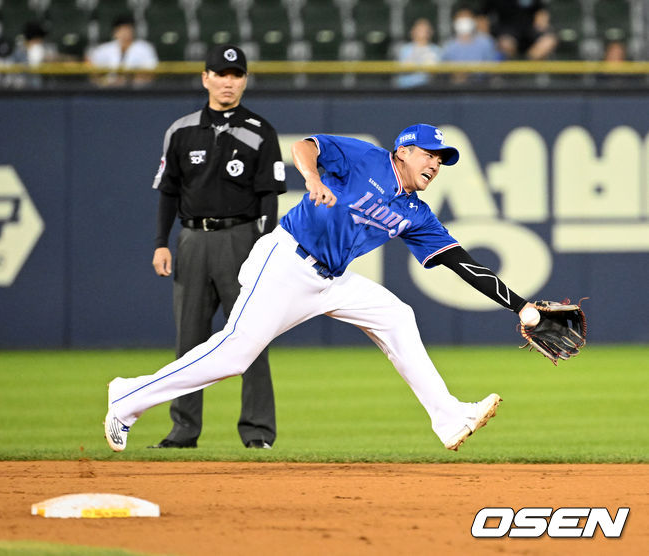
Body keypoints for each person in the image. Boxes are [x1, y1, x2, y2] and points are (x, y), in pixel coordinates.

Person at [105, 123, 543, 454]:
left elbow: (460, 262)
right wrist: (313, 180)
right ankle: (127, 397)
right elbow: (303, 147)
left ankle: (448, 418)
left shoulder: (416, 213)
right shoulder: (367, 158)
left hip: (331, 280)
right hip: (285, 262)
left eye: (442, 160)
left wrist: (521, 307)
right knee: (234, 354)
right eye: (430, 154)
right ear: (404, 151)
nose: (435, 164)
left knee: (397, 316)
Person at [147, 44, 285, 449]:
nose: (228, 82)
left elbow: (269, 199)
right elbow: (168, 192)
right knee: (188, 340)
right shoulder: (181, 129)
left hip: (241, 239)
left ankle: (257, 433)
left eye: (236, 74)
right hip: (191, 239)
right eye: (220, 74)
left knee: (250, 336)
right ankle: (183, 430)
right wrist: (161, 242)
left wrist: (263, 251)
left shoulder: (260, 131)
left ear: (244, 80)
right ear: (205, 77)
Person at [86, 14, 158, 87]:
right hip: (109, 90)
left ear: (133, 31)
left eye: (128, 29)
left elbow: (151, 73)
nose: (125, 33)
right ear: (114, 32)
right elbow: (91, 69)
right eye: (121, 29)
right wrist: (104, 81)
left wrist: (128, 80)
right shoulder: (104, 49)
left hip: (137, 91)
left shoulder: (145, 48)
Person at [477, 0, 557, 60]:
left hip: (530, 32)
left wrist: (542, 21)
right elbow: (482, 16)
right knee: (506, 44)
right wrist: (487, 38)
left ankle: (526, 69)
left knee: (549, 41)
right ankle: (511, 72)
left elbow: (541, 12)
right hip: (506, 32)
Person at [395, 18, 441, 89]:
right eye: (419, 30)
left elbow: (434, 72)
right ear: (413, 32)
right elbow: (404, 68)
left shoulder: (436, 50)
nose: (423, 33)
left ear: (430, 32)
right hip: (406, 88)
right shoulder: (404, 49)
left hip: (427, 89)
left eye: (426, 30)